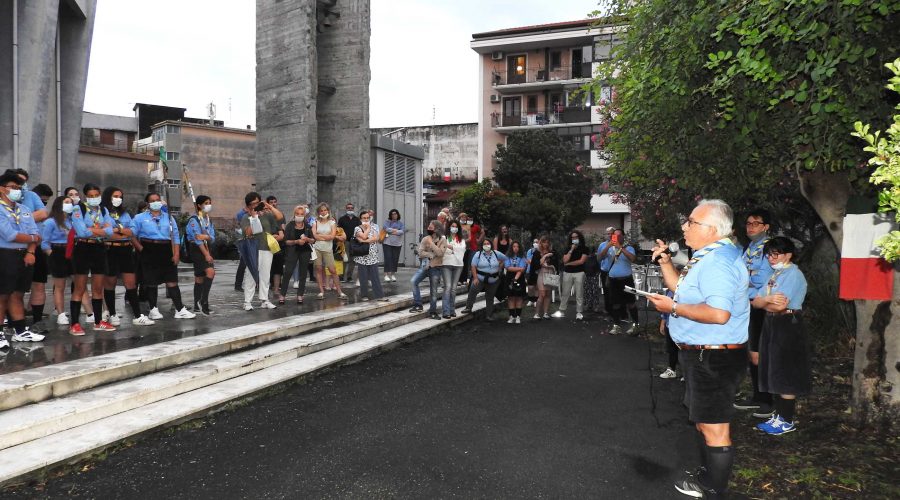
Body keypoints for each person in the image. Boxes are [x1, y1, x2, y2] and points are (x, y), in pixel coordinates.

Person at [646, 199, 749, 499]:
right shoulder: (708, 256)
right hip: (704, 353)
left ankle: (714, 489)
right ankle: (708, 477)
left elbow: (719, 314)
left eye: (691, 222)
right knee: (703, 420)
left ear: (712, 229)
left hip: (714, 356)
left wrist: (673, 308)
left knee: (715, 426)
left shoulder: (718, 262)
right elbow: (680, 287)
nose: (684, 227)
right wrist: (665, 262)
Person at [754, 237, 809, 436]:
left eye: (775, 254)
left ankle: (786, 420)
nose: (770, 257)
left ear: (788, 254)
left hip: (788, 324)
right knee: (773, 369)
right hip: (772, 323)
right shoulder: (775, 275)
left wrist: (765, 302)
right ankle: (779, 416)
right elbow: (755, 302)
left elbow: (781, 306)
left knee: (786, 371)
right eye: (768, 254)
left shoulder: (793, 274)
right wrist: (767, 300)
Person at [734, 209, 775, 416]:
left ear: (766, 227)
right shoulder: (750, 247)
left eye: (756, 223)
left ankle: (767, 400)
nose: (750, 227)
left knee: (760, 353)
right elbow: (744, 273)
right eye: (749, 223)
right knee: (752, 353)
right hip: (748, 303)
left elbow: (762, 278)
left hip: (762, 305)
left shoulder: (770, 247)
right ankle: (758, 396)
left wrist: (746, 276)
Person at [131, 193, 196, 321]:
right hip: (148, 248)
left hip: (166, 249)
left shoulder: (169, 218)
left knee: (172, 280)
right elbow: (131, 234)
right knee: (151, 282)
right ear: (148, 204)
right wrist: (141, 249)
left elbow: (175, 236)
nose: (156, 203)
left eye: (157, 200)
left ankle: (179, 309)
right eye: (152, 201)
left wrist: (176, 253)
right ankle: (153, 309)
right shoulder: (139, 218)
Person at [0, 171, 45, 346]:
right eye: (13, 187)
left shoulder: (24, 209)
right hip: (5, 255)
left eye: (19, 188)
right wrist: (33, 239)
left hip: (25, 255)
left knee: (18, 295)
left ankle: (20, 331)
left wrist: (31, 251)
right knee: (2, 295)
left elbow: (35, 233)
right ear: (2, 189)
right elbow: (10, 235)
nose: (17, 191)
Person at [69, 183, 117, 334]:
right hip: (83, 248)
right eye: (90, 196)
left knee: (98, 288)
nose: (94, 198)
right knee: (80, 287)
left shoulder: (104, 210)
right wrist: (100, 230)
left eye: (96, 195)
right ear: (85, 197)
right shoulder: (78, 209)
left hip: (99, 248)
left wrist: (94, 230)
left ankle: (98, 321)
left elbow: (110, 231)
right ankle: (75, 324)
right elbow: (82, 232)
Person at [101, 186, 152, 326]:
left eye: (120, 196)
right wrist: (122, 232)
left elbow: (132, 231)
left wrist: (119, 230)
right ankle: (112, 313)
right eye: (115, 196)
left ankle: (137, 315)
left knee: (131, 283)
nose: (118, 199)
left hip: (126, 250)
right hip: (110, 250)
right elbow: (107, 233)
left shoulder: (125, 213)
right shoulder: (103, 212)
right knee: (110, 283)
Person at [8, 169, 49, 334]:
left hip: (35, 245)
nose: (20, 186)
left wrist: (22, 217)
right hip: (12, 248)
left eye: (23, 182)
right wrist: (28, 217)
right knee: (12, 288)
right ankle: (12, 322)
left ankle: (37, 321)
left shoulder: (32, 196)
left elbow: (43, 213)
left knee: (38, 284)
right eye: (17, 182)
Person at [238, 192, 282, 310]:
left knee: (265, 275)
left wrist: (269, 206)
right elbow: (249, 232)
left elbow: (279, 217)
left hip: (266, 248)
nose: (255, 205)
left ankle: (265, 300)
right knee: (251, 275)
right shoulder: (245, 217)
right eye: (253, 204)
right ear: (248, 206)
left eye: (258, 203)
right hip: (253, 249)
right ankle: (247, 302)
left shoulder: (267, 215)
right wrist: (254, 217)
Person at [41, 196, 76, 331]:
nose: (69, 204)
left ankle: (87, 312)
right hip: (57, 252)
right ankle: (61, 313)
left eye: (71, 203)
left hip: (71, 252)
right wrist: (52, 255)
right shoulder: (51, 222)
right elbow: (45, 243)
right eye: (67, 202)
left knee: (78, 282)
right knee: (60, 286)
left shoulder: (71, 220)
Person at [602, 229, 641, 334]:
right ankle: (616, 326)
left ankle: (635, 325)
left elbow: (632, 258)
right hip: (613, 280)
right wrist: (608, 246)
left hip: (626, 280)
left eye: (619, 235)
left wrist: (620, 247)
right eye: (615, 235)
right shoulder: (610, 248)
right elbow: (600, 257)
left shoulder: (629, 248)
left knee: (631, 303)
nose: (617, 237)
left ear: (623, 237)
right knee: (615, 304)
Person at [185, 195, 216, 315]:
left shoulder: (208, 219)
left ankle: (197, 305)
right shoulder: (194, 220)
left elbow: (212, 238)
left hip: (207, 246)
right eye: (205, 203)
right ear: (199, 205)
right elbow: (197, 239)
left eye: (209, 202)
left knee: (199, 277)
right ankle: (203, 302)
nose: (208, 205)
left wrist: (206, 236)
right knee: (210, 272)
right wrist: (207, 254)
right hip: (198, 250)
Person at [462, 237, 506, 321]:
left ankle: (489, 315)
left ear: (491, 245)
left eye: (488, 243)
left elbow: (506, 258)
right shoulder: (478, 254)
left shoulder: (496, 253)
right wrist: (475, 278)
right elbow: (473, 266)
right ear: (482, 246)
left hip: (494, 279)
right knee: (473, 290)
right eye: (484, 244)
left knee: (490, 296)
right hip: (480, 278)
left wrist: (500, 265)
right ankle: (468, 307)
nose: (486, 245)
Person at [410, 220, 445, 319]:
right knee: (413, 281)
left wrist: (431, 244)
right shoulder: (425, 238)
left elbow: (440, 254)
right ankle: (418, 304)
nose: (428, 229)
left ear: (436, 229)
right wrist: (431, 254)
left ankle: (432, 311)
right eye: (428, 227)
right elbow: (420, 253)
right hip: (425, 267)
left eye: (431, 227)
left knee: (433, 291)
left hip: (436, 268)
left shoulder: (442, 240)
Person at [280, 205, 314, 304]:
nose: (299, 216)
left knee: (303, 274)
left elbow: (313, 240)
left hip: (305, 251)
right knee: (288, 272)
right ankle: (282, 295)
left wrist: (307, 239)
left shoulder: (307, 226)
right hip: (292, 251)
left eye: (301, 214)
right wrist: (296, 241)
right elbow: (285, 241)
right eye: (297, 214)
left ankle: (300, 295)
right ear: (294, 214)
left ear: (304, 215)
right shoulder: (290, 225)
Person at [312, 202, 347, 300]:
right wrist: (325, 237)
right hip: (317, 248)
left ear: (328, 211)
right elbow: (314, 236)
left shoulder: (332, 222)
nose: (323, 212)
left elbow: (332, 236)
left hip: (328, 249)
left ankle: (340, 291)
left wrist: (321, 237)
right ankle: (321, 292)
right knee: (318, 269)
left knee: (333, 270)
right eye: (321, 210)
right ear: (318, 212)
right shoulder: (315, 222)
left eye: (325, 210)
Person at [552, 229, 589, 321]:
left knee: (579, 293)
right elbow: (564, 260)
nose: (574, 239)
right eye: (572, 237)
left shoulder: (585, 248)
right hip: (567, 273)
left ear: (579, 237)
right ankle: (561, 310)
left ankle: (579, 312)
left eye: (576, 237)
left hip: (579, 272)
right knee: (565, 292)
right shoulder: (568, 248)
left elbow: (581, 261)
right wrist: (571, 249)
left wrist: (569, 264)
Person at [353, 210, 389, 301]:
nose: (366, 219)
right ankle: (364, 295)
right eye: (364, 218)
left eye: (367, 218)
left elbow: (376, 238)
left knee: (375, 276)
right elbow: (363, 236)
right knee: (363, 277)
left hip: (372, 255)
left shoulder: (374, 227)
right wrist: (367, 231)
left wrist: (364, 240)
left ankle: (379, 296)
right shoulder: (357, 228)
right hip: (362, 255)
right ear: (360, 219)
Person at [442, 219, 467, 319]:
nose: (454, 228)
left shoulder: (461, 239)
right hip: (446, 264)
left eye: (456, 227)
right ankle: (446, 311)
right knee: (447, 287)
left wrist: (451, 247)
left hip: (458, 265)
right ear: (449, 227)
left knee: (453, 289)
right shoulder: (444, 237)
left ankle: (452, 310)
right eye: (453, 226)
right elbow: (442, 247)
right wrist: (453, 248)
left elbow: (462, 250)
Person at [529, 236, 558, 320]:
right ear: (540, 243)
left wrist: (552, 265)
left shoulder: (553, 251)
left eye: (547, 242)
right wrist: (546, 255)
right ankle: (536, 313)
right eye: (544, 242)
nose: (546, 244)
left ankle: (545, 313)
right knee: (542, 294)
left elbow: (556, 263)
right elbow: (537, 264)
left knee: (548, 294)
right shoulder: (537, 252)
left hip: (551, 273)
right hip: (541, 273)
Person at [266, 196, 286, 302]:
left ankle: (276, 288)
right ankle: (266, 287)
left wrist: (277, 237)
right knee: (267, 268)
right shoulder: (264, 215)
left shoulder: (280, 215)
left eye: (275, 202)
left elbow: (282, 229)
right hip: (266, 245)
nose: (273, 204)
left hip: (278, 245)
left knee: (278, 268)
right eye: (271, 202)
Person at [337, 202, 361, 283]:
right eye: (348, 208)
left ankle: (349, 276)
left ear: (353, 209)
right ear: (346, 209)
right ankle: (341, 276)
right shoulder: (342, 219)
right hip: (345, 241)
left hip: (354, 242)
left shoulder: (357, 219)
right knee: (344, 258)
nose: (350, 209)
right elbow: (338, 230)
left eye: (351, 208)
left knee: (352, 260)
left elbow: (359, 230)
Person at [504, 240, 527, 324]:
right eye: (514, 246)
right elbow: (508, 267)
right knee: (510, 297)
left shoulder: (523, 257)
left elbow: (522, 269)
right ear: (511, 247)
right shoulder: (507, 256)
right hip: (509, 277)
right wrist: (520, 269)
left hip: (519, 278)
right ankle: (511, 316)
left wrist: (516, 279)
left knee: (519, 297)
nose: (516, 248)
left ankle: (518, 316)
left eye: (517, 246)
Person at [658, 288, 679, 378]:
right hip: (670, 324)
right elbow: (666, 309)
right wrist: (663, 322)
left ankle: (687, 373)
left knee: (685, 350)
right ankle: (672, 369)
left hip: (683, 326)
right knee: (672, 349)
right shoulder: (670, 291)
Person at [596, 227, 616, 315]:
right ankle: (607, 309)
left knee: (616, 291)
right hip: (605, 271)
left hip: (616, 272)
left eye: (611, 233)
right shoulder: (602, 245)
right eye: (607, 234)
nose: (609, 235)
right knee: (607, 291)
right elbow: (599, 258)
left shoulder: (619, 244)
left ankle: (617, 310)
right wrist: (608, 247)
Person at [382, 208, 405, 282]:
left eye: (395, 214)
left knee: (395, 259)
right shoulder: (387, 222)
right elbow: (386, 229)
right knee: (388, 258)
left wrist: (392, 231)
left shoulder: (401, 223)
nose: (394, 215)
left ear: (398, 215)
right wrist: (395, 230)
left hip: (397, 244)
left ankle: (392, 274)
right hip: (387, 243)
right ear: (390, 215)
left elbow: (402, 231)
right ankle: (386, 275)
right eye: (392, 214)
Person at [583, 238, 603, 314]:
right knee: (587, 291)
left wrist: (597, 274)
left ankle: (595, 305)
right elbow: (583, 266)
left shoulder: (596, 258)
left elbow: (599, 267)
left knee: (594, 291)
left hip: (594, 276)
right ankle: (588, 304)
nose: (590, 252)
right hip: (587, 276)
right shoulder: (586, 258)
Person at [524, 238, 539, 307]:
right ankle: (530, 300)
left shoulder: (540, 251)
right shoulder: (529, 251)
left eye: (537, 242)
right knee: (530, 287)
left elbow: (538, 262)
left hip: (537, 271)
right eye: (534, 242)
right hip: (529, 271)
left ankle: (535, 300)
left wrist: (534, 262)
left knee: (536, 286)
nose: (535, 243)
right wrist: (534, 262)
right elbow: (528, 261)